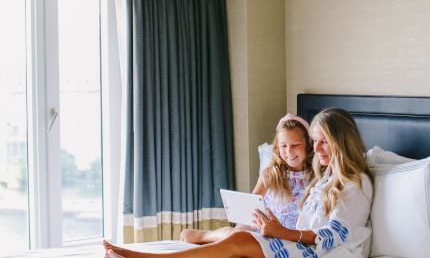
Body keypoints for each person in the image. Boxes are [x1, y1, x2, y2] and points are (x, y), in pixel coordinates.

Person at [103, 108, 373, 258]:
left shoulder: (355, 183)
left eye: (323, 141)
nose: (318, 148)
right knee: (238, 241)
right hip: (292, 240)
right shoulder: (325, 178)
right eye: (316, 142)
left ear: (341, 139)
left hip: (314, 251)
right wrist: (274, 230)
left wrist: (282, 233)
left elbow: (334, 235)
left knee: (238, 243)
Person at [180, 113, 313, 244]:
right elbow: (251, 204)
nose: (289, 152)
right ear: (277, 147)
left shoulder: (315, 176)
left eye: (295, 145)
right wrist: (242, 227)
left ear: (308, 144)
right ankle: (206, 235)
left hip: (294, 234)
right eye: (284, 146)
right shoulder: (271, 174)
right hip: (266, 229)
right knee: (237, 235)